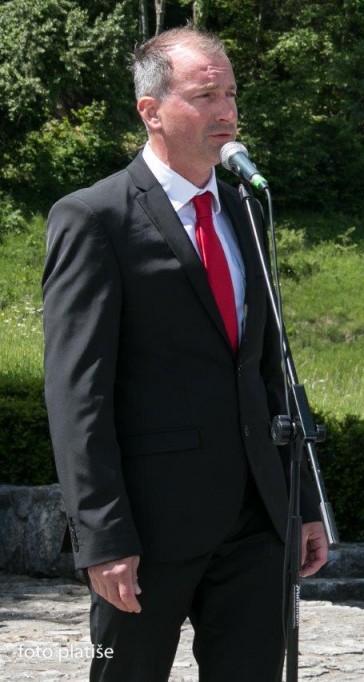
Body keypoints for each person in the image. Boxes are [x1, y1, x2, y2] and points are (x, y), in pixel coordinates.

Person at [42, 27, 327, 681]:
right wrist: (102, 536)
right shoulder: (95, 219)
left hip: (257, 524)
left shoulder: (246, 211)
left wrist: (304, 503)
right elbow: (77, 395)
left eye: (231, 94)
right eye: (205, 96)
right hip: (148, 530)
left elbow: (271, 368)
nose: (227, 112)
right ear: (151, 111)